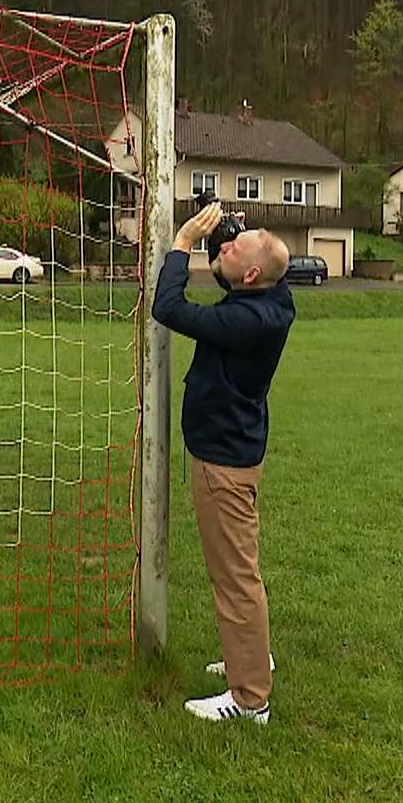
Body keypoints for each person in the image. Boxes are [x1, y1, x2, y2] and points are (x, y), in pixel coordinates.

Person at [151, 201, 295, 724]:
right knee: (242, 567)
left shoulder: (242, 320)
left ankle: (250, 698)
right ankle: (252, 656)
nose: (226, 247)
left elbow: (169, 308)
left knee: (234, 577)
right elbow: (231, 274)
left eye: (234, 247)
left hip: (223, 464)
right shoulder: (272, 296)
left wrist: (183, 242)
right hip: (240, 448)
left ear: (251, 274)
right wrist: (229, 238)